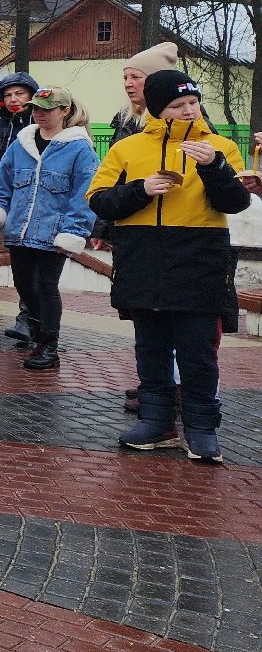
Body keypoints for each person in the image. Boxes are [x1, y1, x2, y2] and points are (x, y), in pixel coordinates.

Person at [87, 70, 251, 464]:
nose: (188, 111)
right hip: (143, 260)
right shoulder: (127, 149)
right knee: (151, 349)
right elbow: (98, 199)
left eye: (192, 103)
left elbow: (236, 203)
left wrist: (214, 167)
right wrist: (140, 190)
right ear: (159, 109)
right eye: (178, 106)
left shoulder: (221, 146)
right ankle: (157, 423)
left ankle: (202, 430)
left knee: (197, 354)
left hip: (200, 261)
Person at [0, 87, 99, 372]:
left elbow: (84, 193)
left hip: (55, 233)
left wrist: (74, 230)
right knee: (24, 285)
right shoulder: (21, 143)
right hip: (20, 231)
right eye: (36, 108)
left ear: (65, 112)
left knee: (46, 286)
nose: (40, 114)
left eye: (47, 109)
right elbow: (4, 182)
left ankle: (49, 344)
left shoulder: (79, 149)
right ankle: (37, 330)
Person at [107, 42, 178, 414]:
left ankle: (173, 386)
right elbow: (109, 182)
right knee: (142, 312)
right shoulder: (125, 123)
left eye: (136, 77)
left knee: (173, 315)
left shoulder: (186, 124)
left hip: (173, 233)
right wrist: (104, 227)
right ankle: (154, 383)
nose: (129, 84)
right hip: (132, 230)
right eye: (126, 77)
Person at [0, 72, 40, 345]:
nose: (14, 99)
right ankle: (29, 318)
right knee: (21, 264)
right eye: (8, 95)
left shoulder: (41, 123)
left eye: (20, 94)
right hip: (8, 201)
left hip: (37, 201)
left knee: (40, 266)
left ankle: (31, 320)